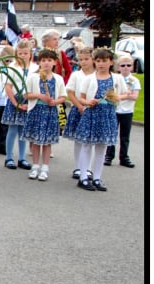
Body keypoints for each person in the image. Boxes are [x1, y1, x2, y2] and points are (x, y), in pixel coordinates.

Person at [72, 48, 128, 191]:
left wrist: (117, 97)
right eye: (98, 61)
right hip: (92, 114)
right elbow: (81, 97)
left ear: (111, 62)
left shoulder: (117, 78)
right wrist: (87, 102)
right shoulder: (89, 78)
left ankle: (97, 177)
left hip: (108, 115)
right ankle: (83, 177)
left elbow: (124, 94)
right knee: (87, 146)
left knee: (102, 147)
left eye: (104, 61)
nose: (101, 64)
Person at [20, 48, 67, 182]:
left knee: (47, 143)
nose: (46, 63)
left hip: (50, 113)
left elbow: (63, 96)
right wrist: (39, 95)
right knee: (35, 141)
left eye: (49, 60)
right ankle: (35, 166)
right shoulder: (33, 77)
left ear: (54, 63)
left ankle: (45, 168)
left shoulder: (58, 79)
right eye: (43, 60)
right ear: (39, 62)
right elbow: (26, 94)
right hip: (36, 112)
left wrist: (55, 102)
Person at [1, 39, 38, 170]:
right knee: (13, 129)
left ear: (30, 54)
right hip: (15, 100)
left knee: (23, 130)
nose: (23, 56)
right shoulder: (12, 67)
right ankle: (9, 157)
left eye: (25, 53)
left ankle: (22, 158)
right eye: (20, 53)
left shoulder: (35, 68)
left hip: (29, 101)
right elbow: (8, 86)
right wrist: (15, 103)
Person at [62, 47, 95, 181]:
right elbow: (70, 92)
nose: (84, 62)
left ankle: (87, 168)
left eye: (87, 59)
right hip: (79, 108)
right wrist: (79, 105)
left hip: (92, 110)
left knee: (90, 141)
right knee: (78, 140)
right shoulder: (76, 75)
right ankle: (78, 167)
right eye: (81, 60)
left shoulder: (96, 75)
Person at [104, 54, 140, 168]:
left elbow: (135, 96)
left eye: (128, 65)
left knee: (125, 136)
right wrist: (125, 95)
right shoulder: (115, 78)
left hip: (127, 111)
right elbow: (110, 95)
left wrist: (121, 96)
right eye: (122, 65)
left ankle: (124, 157)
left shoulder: (134, 80)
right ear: (118, 67)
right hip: (115, 110)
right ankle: (109, 156)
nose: (125, 67)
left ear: (132, 67)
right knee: (112, 133)